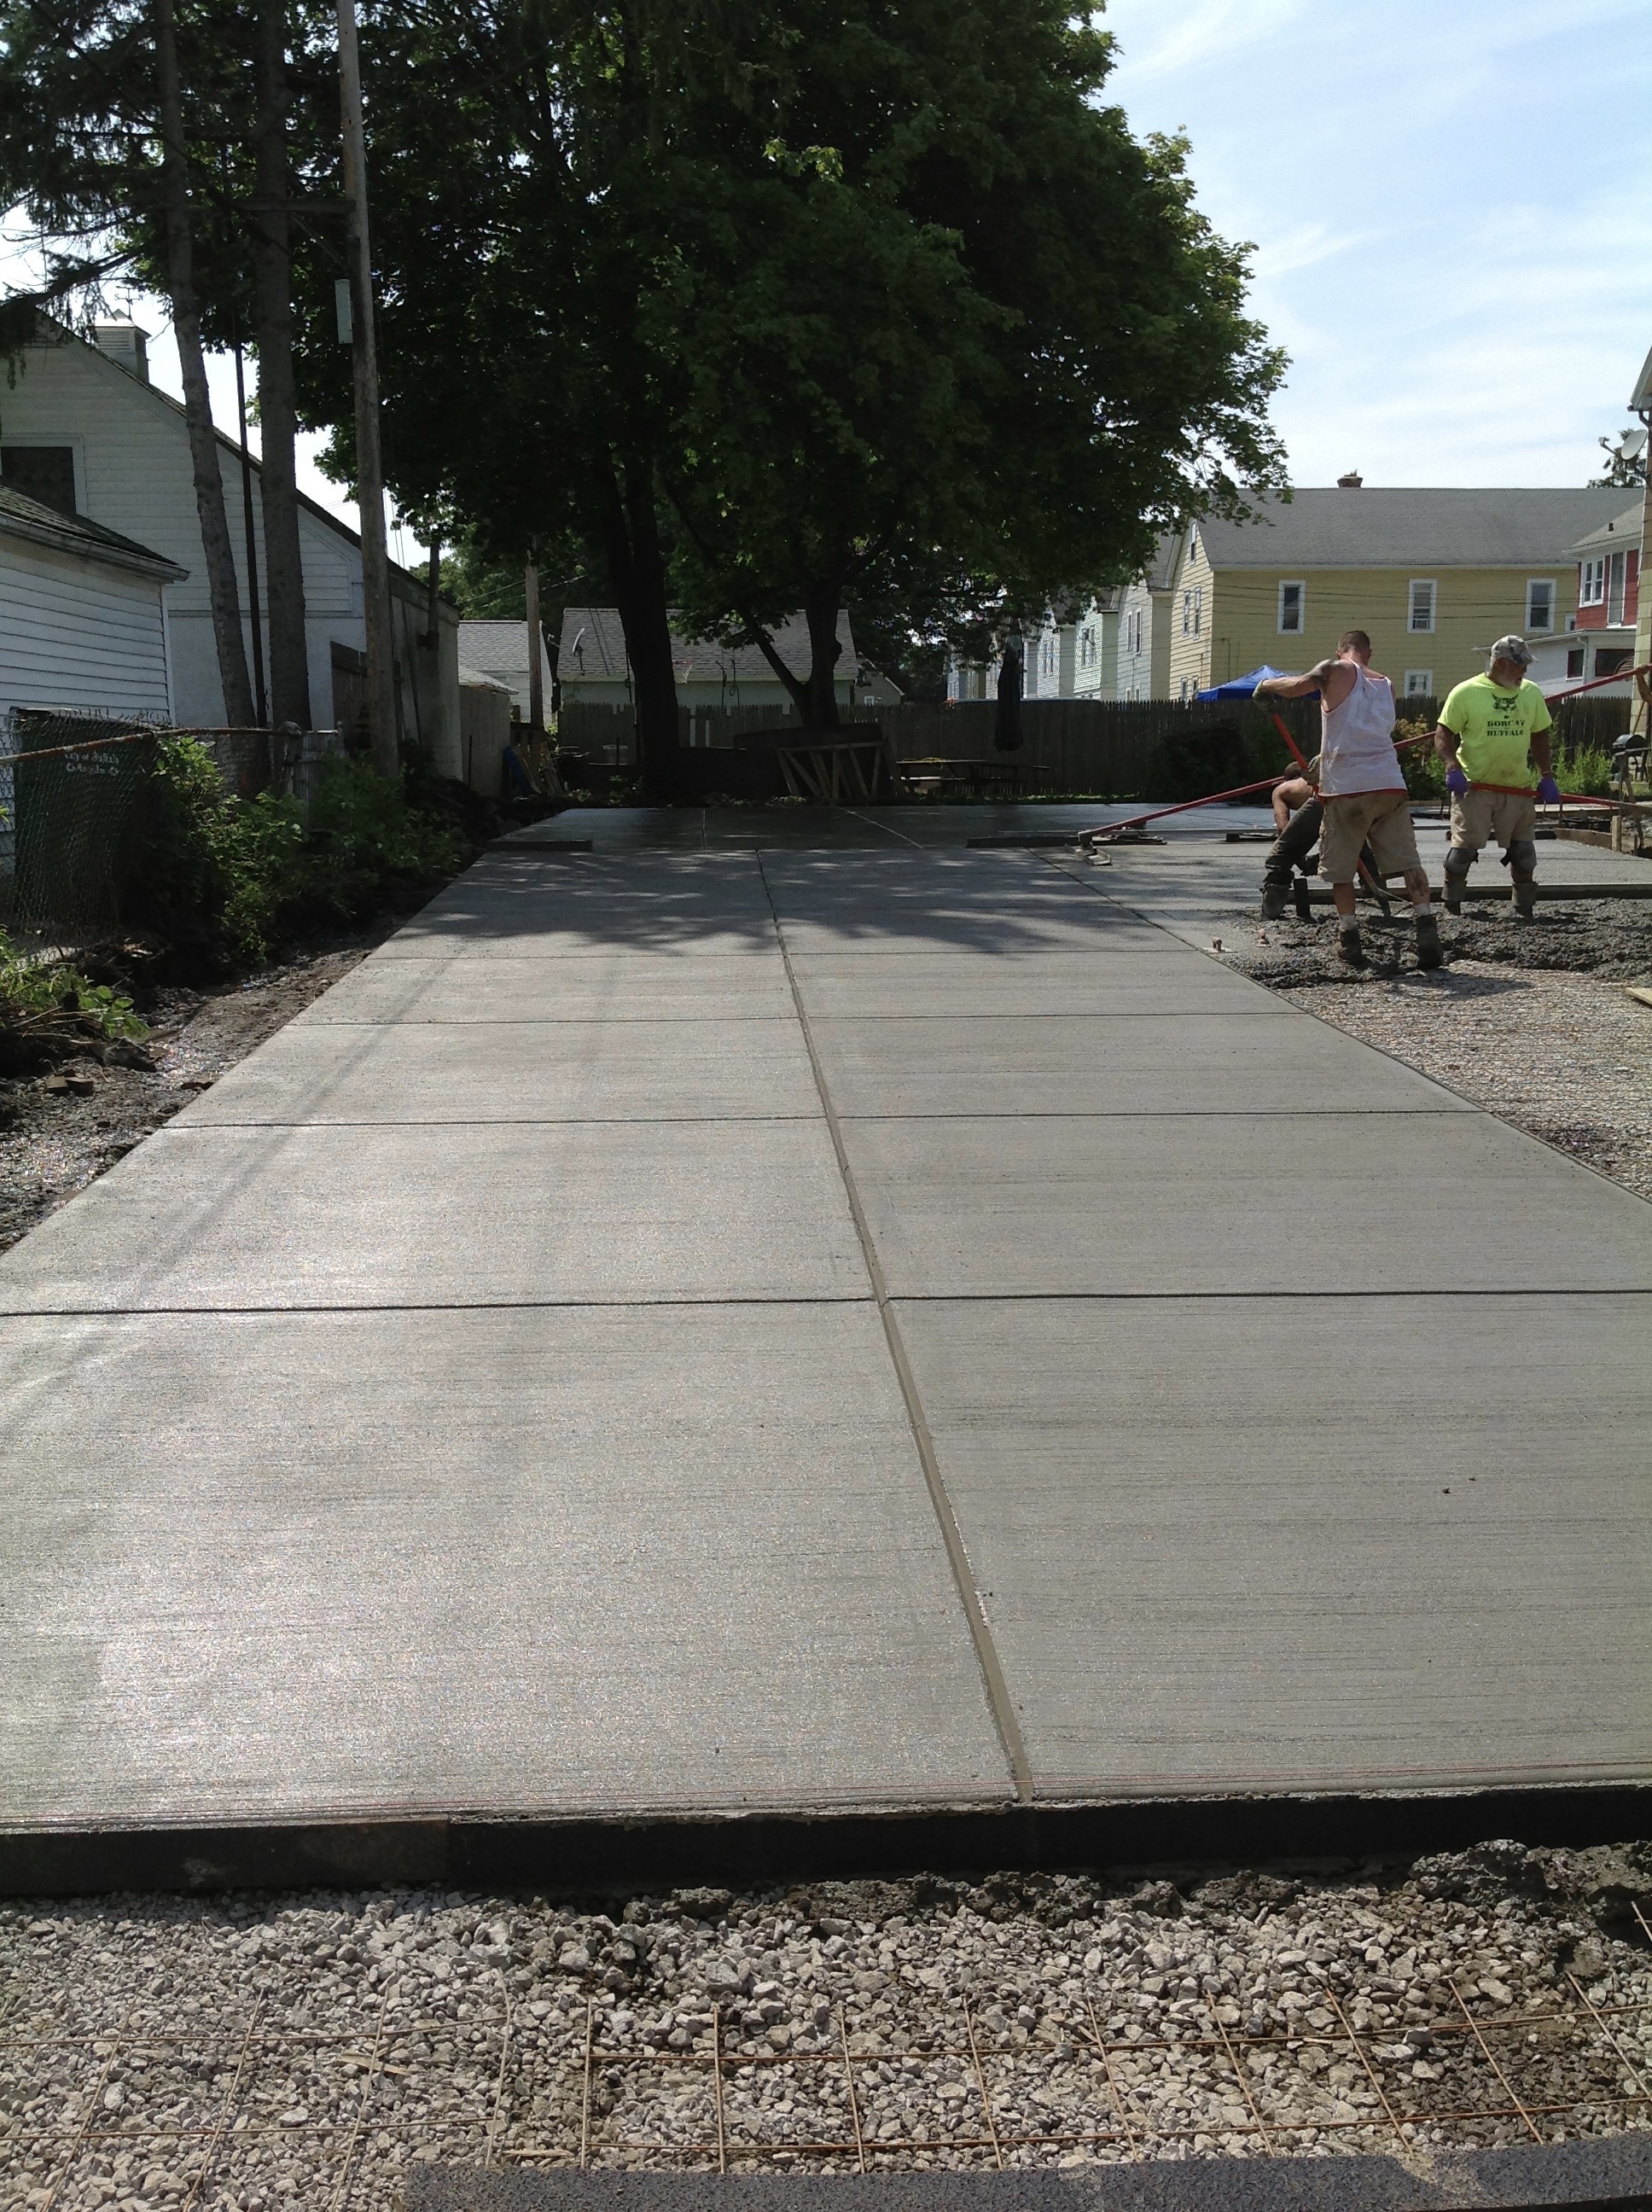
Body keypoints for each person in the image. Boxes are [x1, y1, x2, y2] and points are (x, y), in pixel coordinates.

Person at [1255, 631, 1440, 969]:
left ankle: (1349, 938)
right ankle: (1427, 928)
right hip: (1390, 785)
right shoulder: (1386, 684)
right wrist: (1322, 762)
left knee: (1341, 869)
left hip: (1347, 789)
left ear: (1341, 650)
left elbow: (1297, 686)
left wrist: (1267, 686)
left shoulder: (1334, 669)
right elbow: (1364, 733)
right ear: (1369, 653)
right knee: (1410, 863)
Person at [1432, 635, 1560, 918]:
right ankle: (1451, 905)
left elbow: (1540, 735)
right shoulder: (1466, 693)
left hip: (1517, 788)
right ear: (1500, 663)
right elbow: (1443, 733)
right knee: (1462, 852)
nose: (1524, 671)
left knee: (1524, 852)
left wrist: (1547, 775)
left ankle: (1523, 907)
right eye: (1519, 665)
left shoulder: (1530, 693)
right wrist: (1452, 768)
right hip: (1475, 789)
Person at [1259, 755, 1323, 918]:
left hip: (1323, 797)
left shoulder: (1282, 789)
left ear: (1287, 778)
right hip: (1355, 793)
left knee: (1279, 858)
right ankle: (1375, 887)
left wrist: (1298, 858)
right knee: (1355, 846)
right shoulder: (1321, 772)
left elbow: (1283, 830)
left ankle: (1270, 913)